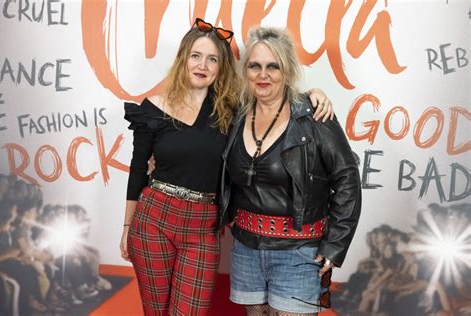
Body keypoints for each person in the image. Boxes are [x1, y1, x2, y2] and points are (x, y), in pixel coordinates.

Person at [120, 18, 334, 315]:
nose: (203, 65)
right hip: (153, 218)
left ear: (221, 67)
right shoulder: (153, 107)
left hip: (203, 225)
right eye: (196, 56)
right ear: (184, 59)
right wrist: (127, 227)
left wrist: (312, 95)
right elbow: (137, 170)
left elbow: (275, 98)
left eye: (212, 59)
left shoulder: (233, 111)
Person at [219, 26, 362, 315]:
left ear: (287, 70)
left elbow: (347, 179)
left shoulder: (314, 116)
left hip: (299, 251)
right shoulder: (236, 114)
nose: (263, 74)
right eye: (255, 66)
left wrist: (335, 246)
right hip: (246, 248)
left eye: (273, 66)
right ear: (244, 71)